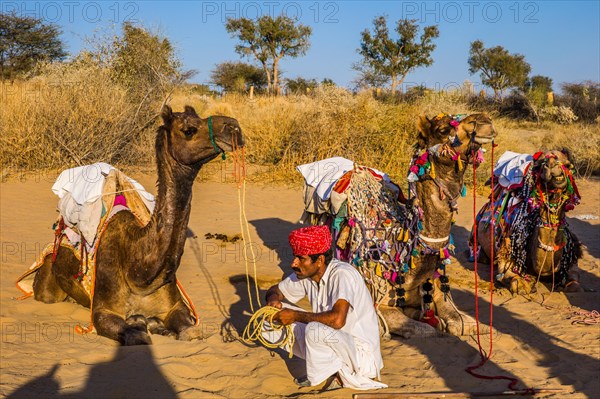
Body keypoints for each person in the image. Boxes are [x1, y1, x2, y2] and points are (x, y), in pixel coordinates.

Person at [263, 225, 387, 391]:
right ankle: (327, 370)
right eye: (295, 257)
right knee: (269, 320)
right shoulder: (306, 274)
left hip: (360, 355)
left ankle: (333, 374)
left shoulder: (342, 275)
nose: (294, 263)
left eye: (300, 258)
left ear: (319, 260)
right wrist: (273, 301)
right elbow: (275, 290)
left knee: (315, 330)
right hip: (335, 343)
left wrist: (295, 316)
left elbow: (337, 320)